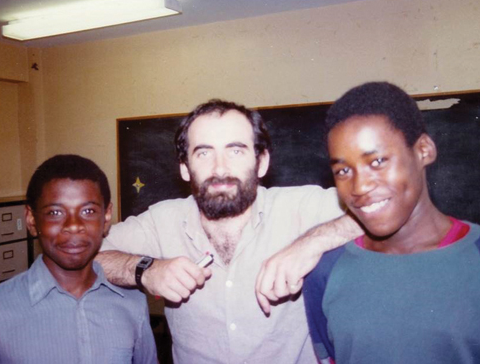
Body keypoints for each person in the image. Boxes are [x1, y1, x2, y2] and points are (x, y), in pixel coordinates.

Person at [302, 82, 480, 363]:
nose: (359, 185)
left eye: (378, 161)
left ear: (423, 150)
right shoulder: (325, 273)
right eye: (343, 170)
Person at [97, 99, 362, 364]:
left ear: (261, 162)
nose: (220, 168)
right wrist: (145, 269)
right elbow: (90, 256)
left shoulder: (300, 207)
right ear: (184, 168)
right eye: (203, 153)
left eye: (235, 151)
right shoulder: (161, 220)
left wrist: (309, 244)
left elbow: (393, 210)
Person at [0, 155, 158, 364]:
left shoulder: (132, 303)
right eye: (55, 212)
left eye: (88, 211)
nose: (73, 225)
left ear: (106, 218)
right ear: (32, 220)